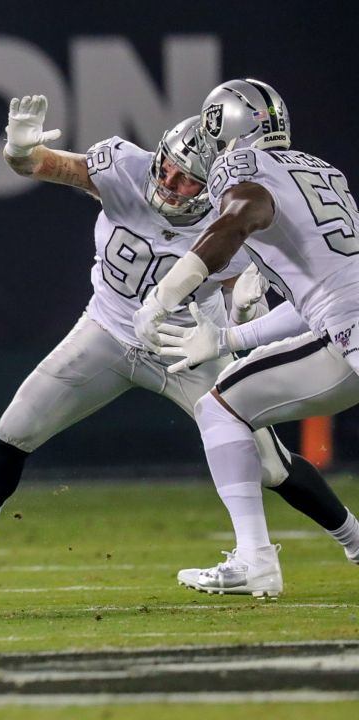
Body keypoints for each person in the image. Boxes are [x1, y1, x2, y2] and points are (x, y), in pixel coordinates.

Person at [0, 95, 357, 598]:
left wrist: (242, 315)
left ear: (214, 187)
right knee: (15, 428)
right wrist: (17, 147)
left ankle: (350, 537)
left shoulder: (239, 223)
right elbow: (38, 164)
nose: (171, 183)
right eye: (169, 168)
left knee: (271, 466)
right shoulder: (125, 169)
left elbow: (242, 310)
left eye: (189, 179)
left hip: (183, 349)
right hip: (107, 329)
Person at [137, 78, 359, 596]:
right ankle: (254, 558)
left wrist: (166, 293)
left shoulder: (240, 168)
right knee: (223, 406)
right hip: (341, 327)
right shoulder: (320, 170)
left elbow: (240, 217)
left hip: (348, 324)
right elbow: (316, 305)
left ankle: (257, 559)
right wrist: (227, 340)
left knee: (220, 407)